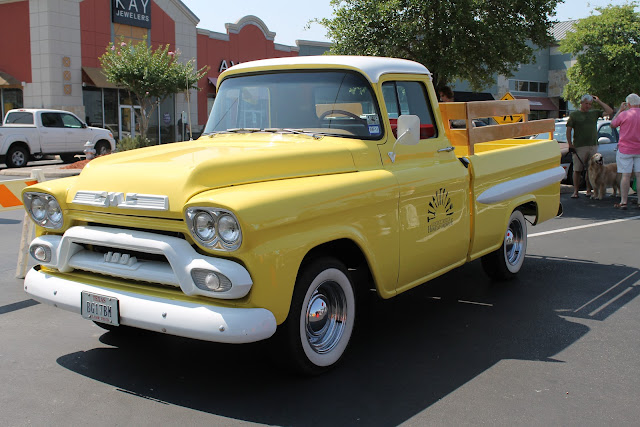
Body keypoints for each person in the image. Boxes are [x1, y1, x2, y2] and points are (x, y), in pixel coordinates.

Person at [566, 94, 613, 198]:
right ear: (581, 103)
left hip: (593, 145)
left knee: (591, 169)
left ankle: (589, 190)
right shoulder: (574, 115)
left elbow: (609, 111)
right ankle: (575, 191)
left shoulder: (594, 113)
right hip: (579, 146)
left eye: (590, 104)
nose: (588, 106)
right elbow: (568, 130)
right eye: (586, 104)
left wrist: (599, 101)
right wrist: (570, 144)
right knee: (577, 169)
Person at [610, 93, 640, 210]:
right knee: (639, 175)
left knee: (625, 176)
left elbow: (612, 124)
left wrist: (620, 110)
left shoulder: (624, 114)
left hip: (625, 149)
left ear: (628, 104)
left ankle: (624, 201)